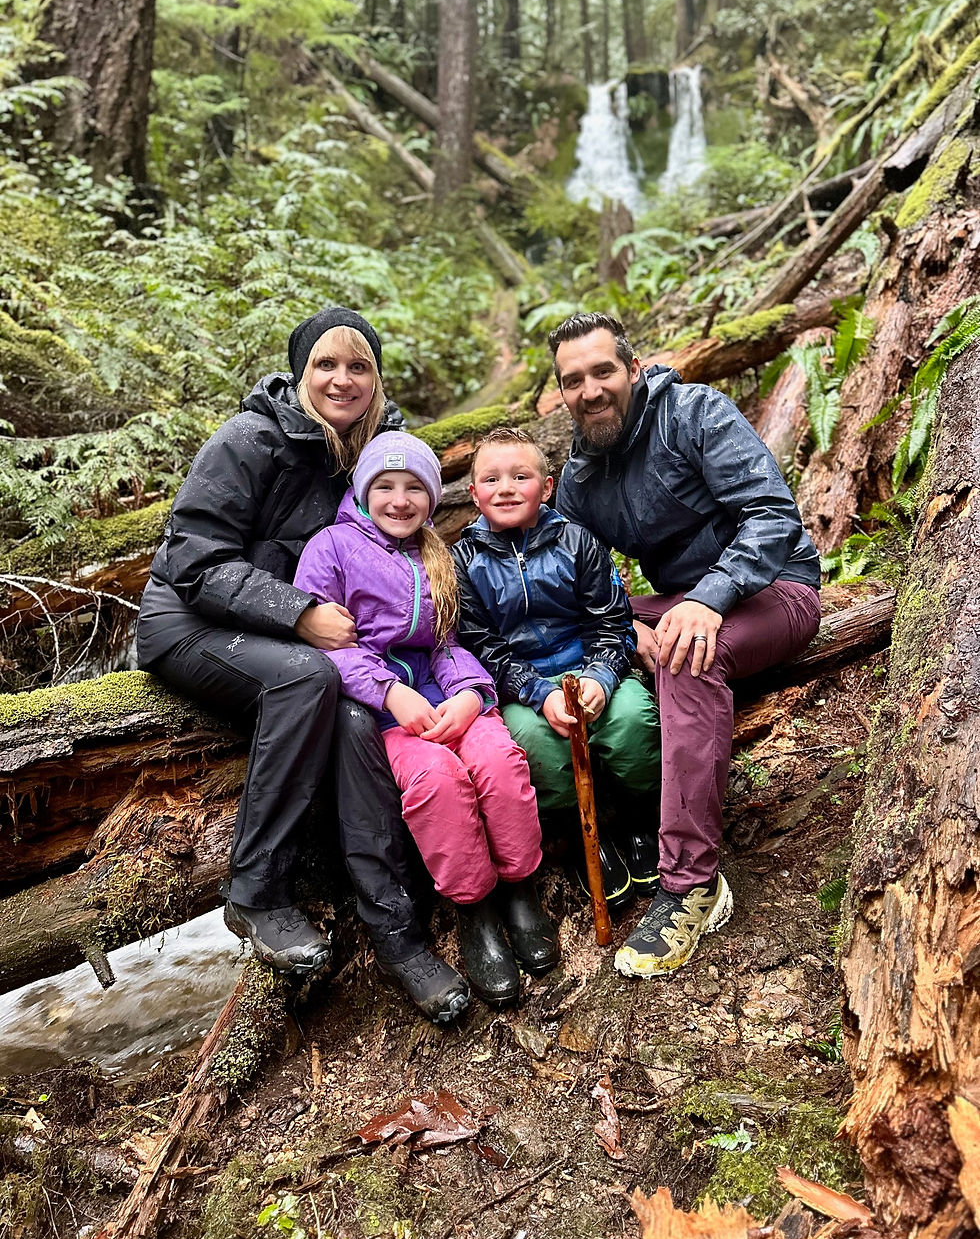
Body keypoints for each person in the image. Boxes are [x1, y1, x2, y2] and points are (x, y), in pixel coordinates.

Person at [136, 306, 469, 1025]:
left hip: (302, 634)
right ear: (300, 372)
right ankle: (256, 893)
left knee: (354, 717)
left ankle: (399, 935)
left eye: (359, 367)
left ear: (376, 380)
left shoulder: (376, 448)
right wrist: (297, 613)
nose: (342, 379)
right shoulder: (250, 438)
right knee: (306, 677)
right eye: (326, 364)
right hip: (191, 619)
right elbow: (192, 560)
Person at [548, 312, 822, 978]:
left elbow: (771, 516)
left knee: (685, 653)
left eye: (602, 372)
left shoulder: (694, 412)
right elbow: (568, 577)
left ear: (633, 370)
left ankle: (692, 882)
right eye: (574, 380)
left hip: (773, 588)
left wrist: (707, 597)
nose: (591, 390)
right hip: (678, 605)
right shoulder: (580, 478)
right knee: (595, 627)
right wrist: (623, 622)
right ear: (562, 393)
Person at [294, 433, 558, 1009]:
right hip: (383, 713)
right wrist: (390, 694)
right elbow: (327, 647)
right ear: (364, 491)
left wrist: (469, 693)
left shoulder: (433, 551)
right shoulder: (331, 548)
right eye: (385, 486)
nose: (399, 499)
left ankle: (518, 886)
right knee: (437, 781)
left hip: (447, 696)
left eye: (414, 487)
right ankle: (475, 907)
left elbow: (447, 640)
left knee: (497, 760)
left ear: (432, 498)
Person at [451, 426, 662, 912]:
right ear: (474, 494)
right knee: (534, 745)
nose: (505, 488)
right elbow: (480, 645)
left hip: (591, 670)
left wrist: (602, 678)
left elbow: (613, 620)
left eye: (520, 476)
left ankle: (639, 818)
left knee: (632, 721)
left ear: (546, 487)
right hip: (523, 687)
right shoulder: (464, 560)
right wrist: (537, 692)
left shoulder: (578, 542)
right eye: (492, 479)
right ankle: (577, 834)